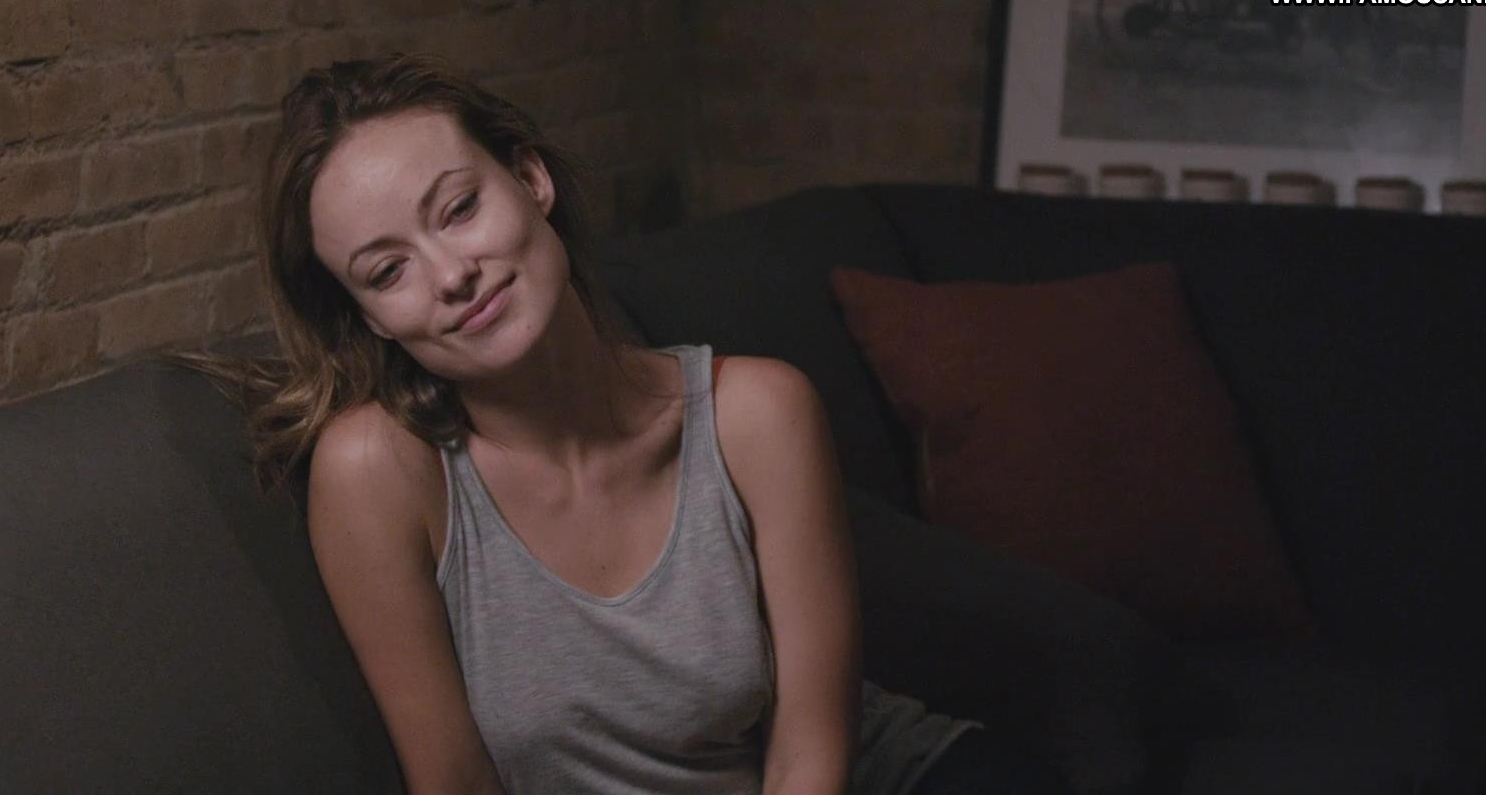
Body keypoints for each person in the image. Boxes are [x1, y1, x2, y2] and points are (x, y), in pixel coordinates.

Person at [193, 52, 1074, 794]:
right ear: (371, 319)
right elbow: (455, 784)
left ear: (531, 179)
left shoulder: (758, 415)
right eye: (388, 271)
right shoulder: (379, 473)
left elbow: (812, 754)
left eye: (459, 210)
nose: (451, 275)